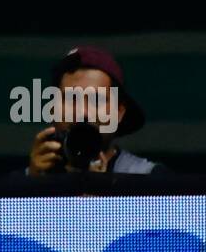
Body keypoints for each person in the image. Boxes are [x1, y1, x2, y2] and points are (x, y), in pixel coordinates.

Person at [25, 45, 166, 176]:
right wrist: (32, 187)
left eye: (97, 100)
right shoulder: (23, 183)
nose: (83, 113)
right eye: (71, 98)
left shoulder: (150, 182)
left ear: (119, 112)